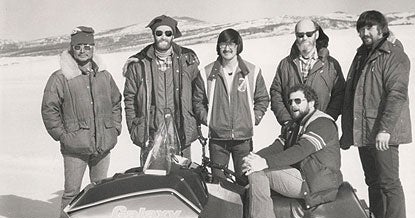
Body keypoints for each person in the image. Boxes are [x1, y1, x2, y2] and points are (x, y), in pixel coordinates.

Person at [238, 84, 343, 218]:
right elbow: (277, 147)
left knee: (258, 171)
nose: (293, 105)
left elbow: (300, 151)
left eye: (298, 101)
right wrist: (254, 157)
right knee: (255, 167)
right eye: (290, 101)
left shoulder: (322, 123)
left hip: (316, 182)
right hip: (303, 177)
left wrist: (262, 164)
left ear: (311, 103)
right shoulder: (294, 125)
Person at [340, 10, 412, 218]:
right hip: (365, 132)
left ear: (382, 29)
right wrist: (348, 133)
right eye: (361, 28)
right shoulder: (361, 54)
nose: (364, 32)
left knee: (389, 183)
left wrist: (385, 130)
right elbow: (352, 93)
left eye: (369, 28)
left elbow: (396, 95)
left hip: (382, 133)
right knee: (373, 182)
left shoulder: (394, 55)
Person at [41, 26, 122, 218]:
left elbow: (116, 103)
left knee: (98, 190)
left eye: (88, 46)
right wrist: (62, 135)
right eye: (79, 46)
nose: (83, 50)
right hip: (75, 147)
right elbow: (49, 108)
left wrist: (114, 129)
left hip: (102, 144)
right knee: (71, 192)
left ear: (94, 48)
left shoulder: (104, 75)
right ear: (72, 48)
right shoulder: (60, 77)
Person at [193, 29, 269, 182]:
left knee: (245, 181)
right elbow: (197, 102)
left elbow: (262, 98)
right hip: (218, 141)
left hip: (243, 139)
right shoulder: (206, 73)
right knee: (218, 184)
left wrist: (253, 118)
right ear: (218, 46)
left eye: (231, 44)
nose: (227, 48)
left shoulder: (251, 71)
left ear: (238, 45)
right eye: (223, 44)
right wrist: (209, 121)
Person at [123, 15, 200, 165]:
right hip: (151, 134)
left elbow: (198, 94)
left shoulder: (187, 61)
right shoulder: (139, 64)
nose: (163, 37)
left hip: (180, 131)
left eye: (168, 33)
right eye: (159, 33)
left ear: (173, 35)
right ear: (153, 35)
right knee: (153, 179)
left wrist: (193, 120)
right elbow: (129, 99)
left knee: (181, 178)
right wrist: (135, 125)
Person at [270, 18, 345, 125]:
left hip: (321, 128)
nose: (304, 38)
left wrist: (327, 119)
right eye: (300, 35)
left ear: (317, 34)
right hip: (292, 129)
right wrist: (286, 120)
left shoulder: (331, 65)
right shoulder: (285, 64)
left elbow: (339, 94)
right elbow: (276, 93)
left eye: (309, 34)